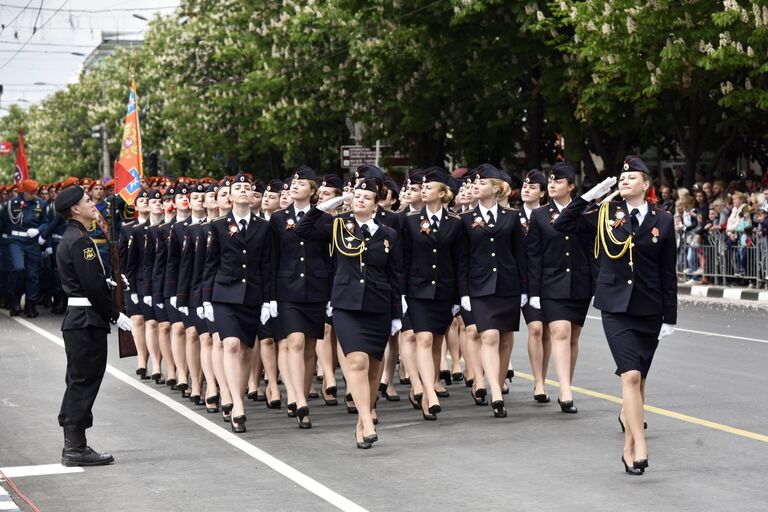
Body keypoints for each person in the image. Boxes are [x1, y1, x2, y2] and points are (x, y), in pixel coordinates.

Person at [554, 156, 677, 475]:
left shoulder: (662, 220)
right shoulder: (606, 213)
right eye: (622, 178)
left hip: (649, 309)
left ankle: (627, 447)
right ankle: (641, 446)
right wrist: (590, 195)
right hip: (616, 308)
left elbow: (668, 272)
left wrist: (670, 317)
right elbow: (563, 224)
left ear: (646, 184)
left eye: (632, 178)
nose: (624, 181)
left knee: (640, 380)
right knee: (630, 376)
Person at [297, 177, 402, 449]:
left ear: (376, 204)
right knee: (357, 361)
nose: (360, 200)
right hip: (346, 305)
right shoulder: (338, 225)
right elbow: (303, 228)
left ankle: (361, 423)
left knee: (374, 368)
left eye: (366, 197)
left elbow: (395, 275)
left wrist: (396, 315)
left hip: (378, 305)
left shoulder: (388, 234)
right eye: (356, 196)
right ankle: (366, 420)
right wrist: (335, 202)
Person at [54, 185, 132, 466]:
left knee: (79, 381)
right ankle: (75, 448)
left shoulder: (76, 236)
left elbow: (89, 281)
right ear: (75, 209)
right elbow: (90, 289)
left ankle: (74, 445)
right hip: (86, 321)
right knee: (83, 382)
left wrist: (106, 283)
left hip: (80, 320)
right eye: (88, 200)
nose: (93, 203)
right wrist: (114, 314)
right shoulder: (81, 241)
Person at [202, 172, 275, 433]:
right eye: (238, 188)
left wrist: (268, 300)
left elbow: (267, 265)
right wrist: (206, 299)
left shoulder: (264, 227)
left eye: (248, 187)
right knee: (230, 345)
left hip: (253, 295)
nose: (243, 190)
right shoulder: (218, 226)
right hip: (224, 295)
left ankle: (237, 397)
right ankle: (236, 404)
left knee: (245, 350)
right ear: (230, 196)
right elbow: (210, 264)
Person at [458, 164, 528, 418]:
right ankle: (495, 391)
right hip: (479, 287)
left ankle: (497, 382)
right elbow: (463, 259)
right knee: (489, 336)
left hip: (508, 286)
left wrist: (524, 288)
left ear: (496, 188)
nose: (476, 186)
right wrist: (464, 293)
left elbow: (520, 255)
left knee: (506, 338)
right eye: (474, 183)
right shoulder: (465, 220)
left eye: (482, 183)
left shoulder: (512, 217)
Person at [527, 162, 593, 413]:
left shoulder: (586, 212)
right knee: (561, 332)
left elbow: (592, 250)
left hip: (580, 283)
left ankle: (567, 381)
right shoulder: (540, 215)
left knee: (573, 337)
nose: (552, 185)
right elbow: (533, 256)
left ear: (572, 186)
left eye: (558, 181)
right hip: (551, 284)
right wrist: (533, 292)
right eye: (550, 181)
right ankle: (565, 390)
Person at [269, 166, 331, 429]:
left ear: (313, 191)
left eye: (301, 183)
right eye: (293, 182)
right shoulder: (278, 218)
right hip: (288, 289)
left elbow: (329, 255)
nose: (295, 186)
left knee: (308, 348)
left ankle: (302, 395)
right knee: (293, 341)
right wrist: (269, 296)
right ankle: (296, 397)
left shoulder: (325, 219)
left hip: (316, 288)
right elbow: (272, 258)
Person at [400, 167, 463, 420]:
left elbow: (460, 261)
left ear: (442, 193)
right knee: (423, 339)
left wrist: (459, 298)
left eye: (428, 187)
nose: (423, 190)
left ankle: (429, 390)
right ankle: (430, 392)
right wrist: (402, 294)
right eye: (422, 187)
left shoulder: (455, 224)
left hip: (445, 291)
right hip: (418, 291)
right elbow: (403, 260)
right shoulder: (411, 221)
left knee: (437, 343)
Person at [517, 169, 551, 403]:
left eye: (532, 187)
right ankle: (538, 380)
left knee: (548, 332)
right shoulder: (511, 216)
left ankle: (541, 380)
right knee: (536, 328)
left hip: (547, 279)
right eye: (524, 186)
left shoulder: (549, 216)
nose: (526, 190)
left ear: (542, 192)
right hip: (522, 281)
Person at [5, 178, 49, 317]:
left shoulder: (40, 204)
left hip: (32, 241)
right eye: (31, 192)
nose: (33, 194)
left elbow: (46, 222)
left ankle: (31, 305)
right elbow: (3, 222)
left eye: (35, 192)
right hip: (16, 240)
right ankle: (14, 300)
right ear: (24, 191)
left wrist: (38, 230)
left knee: (33, 274)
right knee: (18, 269)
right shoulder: (12, 203)